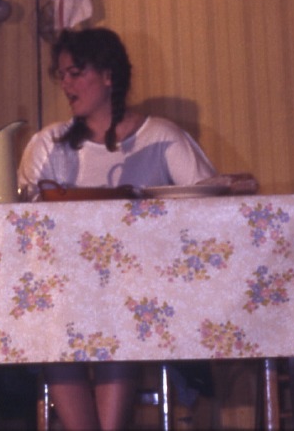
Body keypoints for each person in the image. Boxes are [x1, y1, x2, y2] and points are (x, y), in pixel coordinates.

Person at [17, 27, 217, 431]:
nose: (66, 84)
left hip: (137, 287)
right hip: (64, 287)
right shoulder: (49, 143)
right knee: (56, 311)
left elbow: (208, 202)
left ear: (108, 75)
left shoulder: (159, 137)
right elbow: (24, 219)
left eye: (76, 73)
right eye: (62, 75)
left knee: (119, 305)